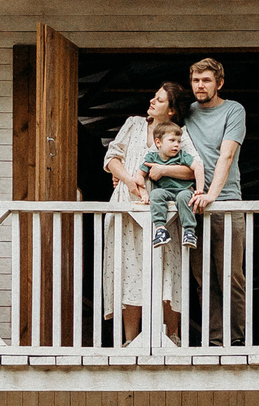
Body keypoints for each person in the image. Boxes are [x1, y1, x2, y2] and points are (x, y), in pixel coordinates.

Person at [100, 80, 190, 345]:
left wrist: (163, 172)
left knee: (167, 268)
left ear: (171, 110)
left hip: (164, 210)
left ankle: (171, 336)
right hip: (128, 206)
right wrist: (129, 180)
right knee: (128, 268)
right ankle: (131, 339)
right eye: (153, 97)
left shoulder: (179, 134)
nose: (152, 101)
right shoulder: (135, 124)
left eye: (159, 99)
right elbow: (111, 158)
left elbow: (192, 169)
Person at [183, 57, 249, 344]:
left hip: (226, 202)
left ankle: (235, 341)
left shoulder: (233, 110)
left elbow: (227, 155)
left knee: (230, 276)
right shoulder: (185, 112)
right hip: (194, 204)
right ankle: (214, 341)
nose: (200, 85)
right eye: (196, 80)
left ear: (219, 83)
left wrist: (213, 195)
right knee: (203, 279)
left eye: (206, 80)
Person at [139, 120, 201, 246]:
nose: (176, 145)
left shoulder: (182, 156)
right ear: (158, 142)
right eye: (172, 140)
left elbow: (198, 168)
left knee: (184, 197)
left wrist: (199, 191)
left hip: (183, 190)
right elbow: (139, 176)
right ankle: (160, 229)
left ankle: (189, 231)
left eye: (178, 141)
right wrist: (143, 194)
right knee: (155, 194)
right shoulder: (151, 158)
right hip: (165, 192)